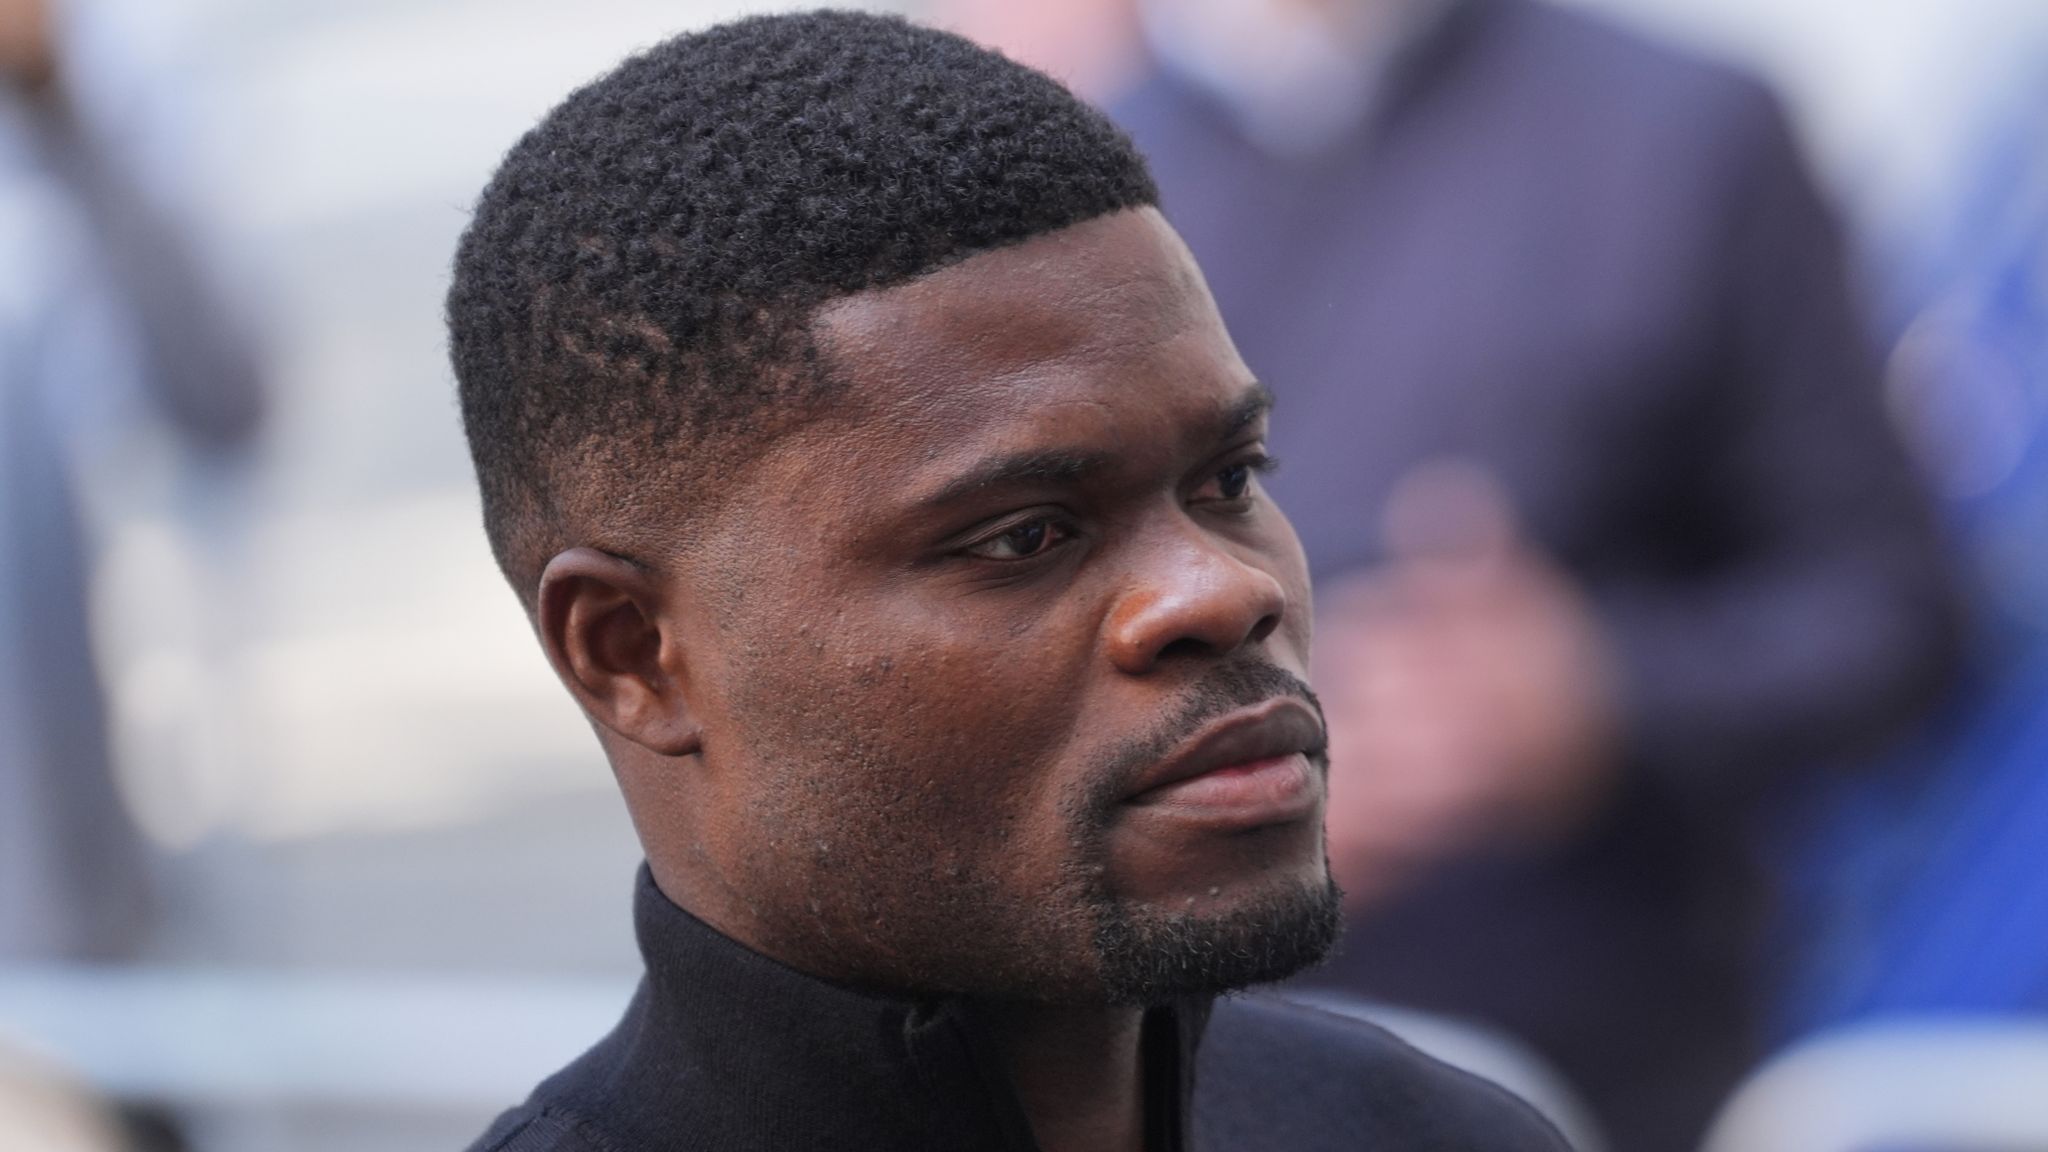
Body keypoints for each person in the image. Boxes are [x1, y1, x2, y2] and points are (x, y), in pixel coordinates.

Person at [448, 12, 1565, 1152]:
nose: (1223, 590)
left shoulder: (1439, 1133)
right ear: (632, 653)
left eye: (1228, 478)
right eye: (1023, 537)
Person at [1110, 1, 1963, 1149]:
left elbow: (1892, 617)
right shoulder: (1081, 188)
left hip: (1608, 1068)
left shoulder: (1682, 128)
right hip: (1170, 1070)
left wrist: (1601, 691)